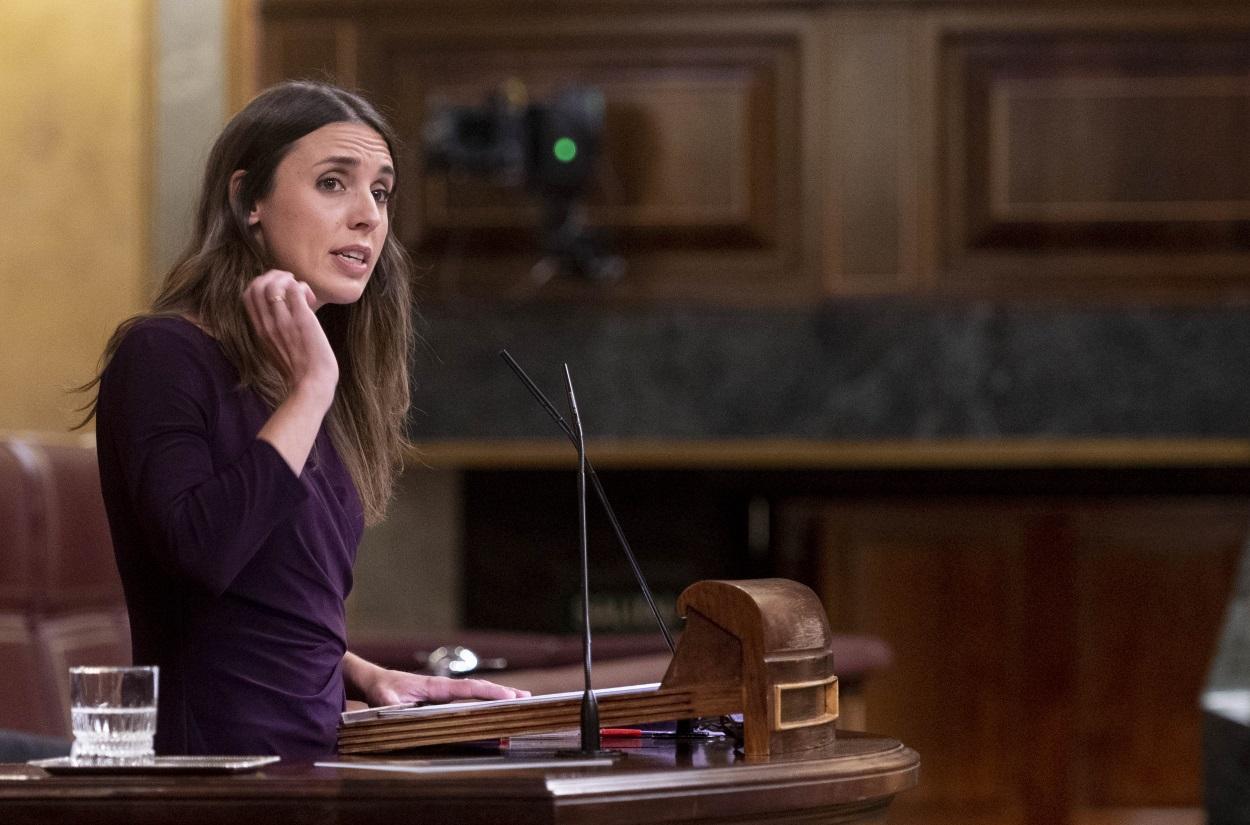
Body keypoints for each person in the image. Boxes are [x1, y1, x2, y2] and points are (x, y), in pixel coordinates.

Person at [79, 80, 527, 759]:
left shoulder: (308, 380)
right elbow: (199, 558)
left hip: (317, 758)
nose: (368, 216)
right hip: (212, 777)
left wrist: (358, 670)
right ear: (246, 200)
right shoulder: (163, 354)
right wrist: (312, 388)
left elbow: (269, 605)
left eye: (380, 191)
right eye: (332, 183)